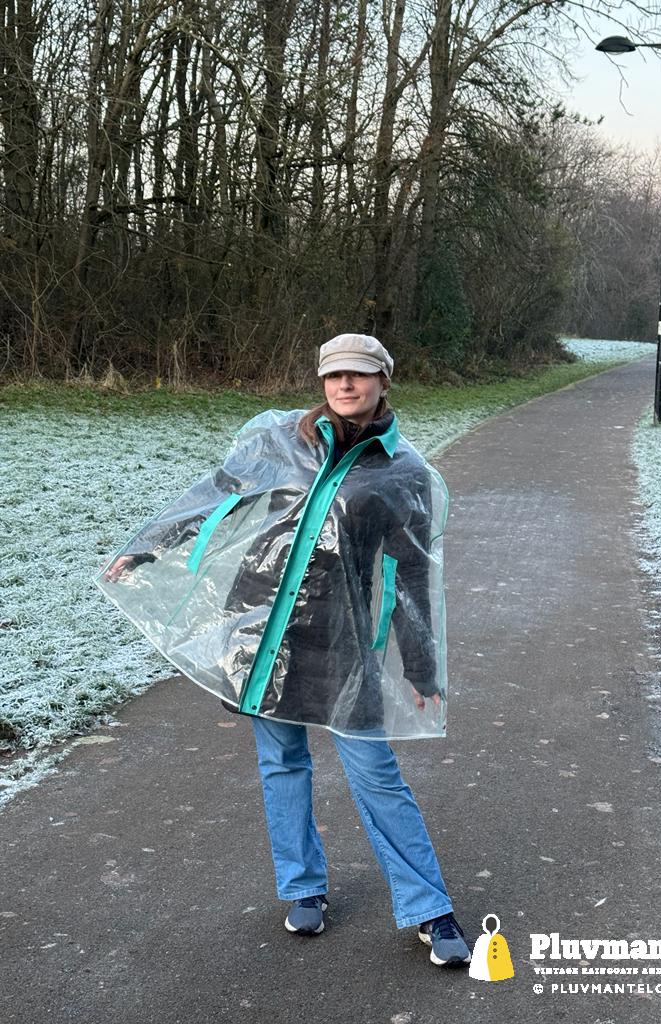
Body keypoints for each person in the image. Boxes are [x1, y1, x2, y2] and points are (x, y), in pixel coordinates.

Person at [99, 333, 470, 967]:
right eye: (334, 375)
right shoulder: (282, 440)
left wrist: (421, 667)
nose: (345, 385)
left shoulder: (403, 473)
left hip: (343, 640)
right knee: (282, 762)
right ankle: (302, 888)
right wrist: (147, 546)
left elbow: (411, 575)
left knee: (376, 775)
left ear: (384, 381)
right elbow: (216, 494)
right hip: (263, 629)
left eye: (359, 374)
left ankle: (430, 909)